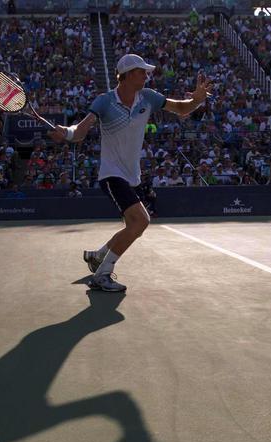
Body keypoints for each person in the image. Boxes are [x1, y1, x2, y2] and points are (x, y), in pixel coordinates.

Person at [47, 54, 212, 291]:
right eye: (142, 71)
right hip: (112, 174)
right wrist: (66, 132)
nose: (146, 75)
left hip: (132, 176)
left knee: (132, 226)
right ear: (128, 74)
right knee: (141, 221)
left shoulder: (149, 97)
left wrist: (196, 100)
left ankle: (98, 256)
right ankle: (102, 275)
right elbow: (80, 131)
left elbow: (180, 108)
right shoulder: (105, 102)